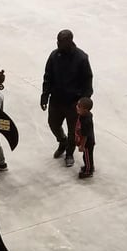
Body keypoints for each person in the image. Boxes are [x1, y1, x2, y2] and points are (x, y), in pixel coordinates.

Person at [40, 30, 93, 169]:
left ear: (69, 41)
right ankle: (61, 141)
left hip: (73, 103)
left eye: (61, 42)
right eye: (57, 41)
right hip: (56, 100)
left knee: (72, 131)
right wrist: (44, 95)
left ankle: (69, 153)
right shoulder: (54, 55)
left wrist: (83, 103)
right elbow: (47, 76)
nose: (57, 44)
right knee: (53, 123)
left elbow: (88, 81)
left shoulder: (81, 58)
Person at [75, 96, 95, 179]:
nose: (77, 107)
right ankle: (89, 166)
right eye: (77, 105)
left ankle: (88, 171)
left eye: (79, 107)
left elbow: (85, 135)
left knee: (86, 156)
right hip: (88, 140)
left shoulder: (85, 121)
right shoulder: (86, 115)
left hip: (87, 143)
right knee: (88, 156)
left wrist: (82, 146)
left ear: (85, 110)